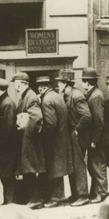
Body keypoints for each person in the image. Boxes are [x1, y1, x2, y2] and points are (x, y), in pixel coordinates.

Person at [36, 76, 74, 208]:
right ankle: (56, 197)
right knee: (58, 167)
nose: (39, 89)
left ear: (43, 88)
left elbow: (51, 124)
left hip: (54, 140)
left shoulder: (46, 100)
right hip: (62, 137)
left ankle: (57, 198)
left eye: (40, 87)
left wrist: (42, 136)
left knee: (54, 168)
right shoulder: (56, 96)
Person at [10, 72, 45, 209]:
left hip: (28, 141)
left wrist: (27, 133)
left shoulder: (29, 97)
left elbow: (36, 117)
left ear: (20, 83)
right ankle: (31, 198)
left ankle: (35, 200)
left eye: (15, 83)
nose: (14, 86)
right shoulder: (26, 96)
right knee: (27, 170)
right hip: (26, 141)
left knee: (29, 170)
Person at [57, 70, 90, 207]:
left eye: (60, 82)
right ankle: (76, 194)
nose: (58, 85)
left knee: (78, 165)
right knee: (72, 165)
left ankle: (83, 195)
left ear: (65, 84)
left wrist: (77, 130)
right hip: (72, 135)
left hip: (78, 136)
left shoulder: (76, 96)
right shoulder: (67, 95)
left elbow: (87, 116)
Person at [81, 68, 109, 203]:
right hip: (95, 138)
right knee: (93, 167)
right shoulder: (93, 93)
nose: (82, 84)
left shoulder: (96, 96)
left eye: (83, 81)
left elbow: (99, 121)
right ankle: (96, 192)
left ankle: (102, 194)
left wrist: (94, 140)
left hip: (98, 139)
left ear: (87, 82)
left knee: (98, 166)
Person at [0, 78, 18, 205]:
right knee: (5, 175)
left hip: (6, 148)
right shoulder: (3, 101)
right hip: (5, 147)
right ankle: (8, 201)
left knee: (7, 176)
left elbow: (7, 129)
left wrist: (0, 145)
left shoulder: (7, 104)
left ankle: (10, 202)